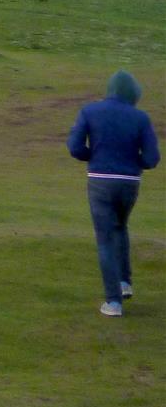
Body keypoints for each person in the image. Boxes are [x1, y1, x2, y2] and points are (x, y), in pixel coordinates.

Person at [67, 70, 159, 317]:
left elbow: (75, 147)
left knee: (105, 238)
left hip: (100, 180)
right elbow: (152, 159)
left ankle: (113, 302)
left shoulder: (89, 111)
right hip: (130, 182)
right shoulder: (140, 118)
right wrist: (133, 162)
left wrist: (94, 157)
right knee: (121, 227)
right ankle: (124, 282)